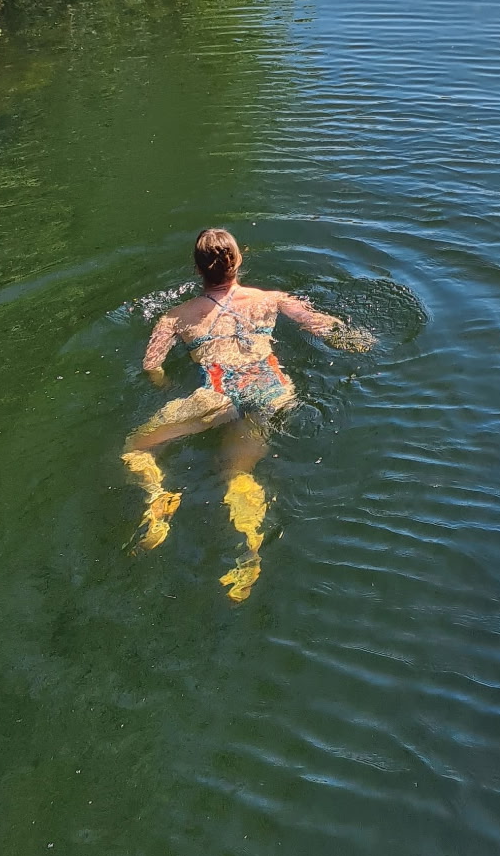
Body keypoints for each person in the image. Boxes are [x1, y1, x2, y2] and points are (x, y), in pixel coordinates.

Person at [126, 227, 367, 602]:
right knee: (237, 473)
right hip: (274, 390)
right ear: (238, 261)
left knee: (136, 447)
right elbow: (319, 326)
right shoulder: (270, 299)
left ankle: (158, 497)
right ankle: (250, 550)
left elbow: (152, 367)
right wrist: (358, 341)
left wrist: (167, 389)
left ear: (197, 268)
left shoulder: (174, 318)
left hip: (217, 395)